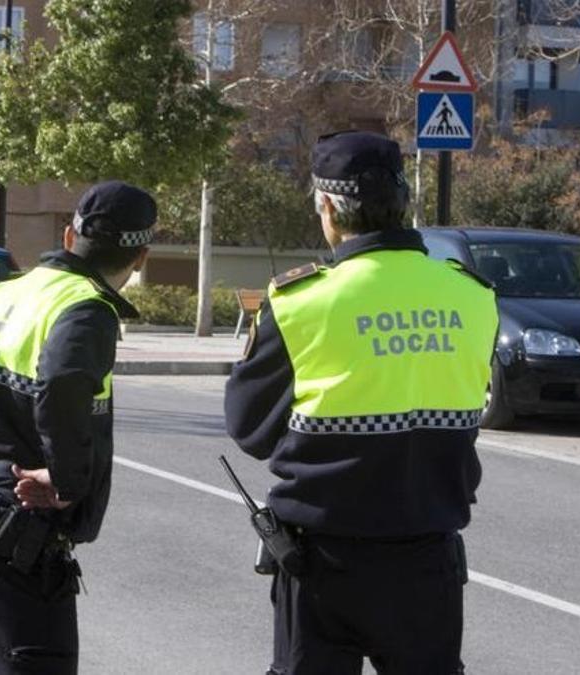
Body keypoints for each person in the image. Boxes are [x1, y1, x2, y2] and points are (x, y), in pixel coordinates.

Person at [224, 131, 498, 675]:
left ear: (327, 205)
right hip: (427, 556)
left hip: (323, 562)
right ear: (403, 202)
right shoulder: (472, 294)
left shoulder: (302, 300)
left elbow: (249, 428)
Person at [0, 181, 156, 674]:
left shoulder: (0, 295)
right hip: (12, 544)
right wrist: (64, 482)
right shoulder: (87, 308)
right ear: (141, 256)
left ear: (67, 236)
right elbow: (62, 380)